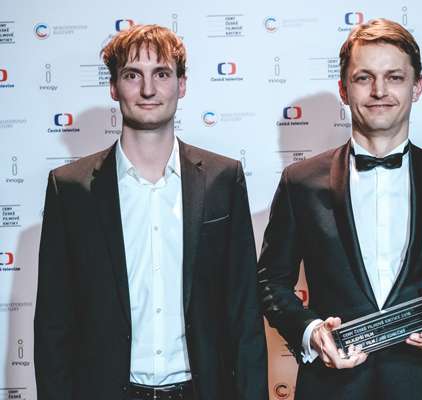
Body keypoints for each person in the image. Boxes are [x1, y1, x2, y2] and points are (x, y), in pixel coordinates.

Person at [257, 18, 422, 399]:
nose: (379, 91)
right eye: (364, 78)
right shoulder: (300, 183)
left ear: (417, 86)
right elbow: (271, 283)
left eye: (394, 77)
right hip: (333, 388)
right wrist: (311, 333)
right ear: (344, 89)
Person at [34, 24, 267, 400]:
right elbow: (53, 325)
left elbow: (245, 314)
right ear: (113, 87)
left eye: (161, 74)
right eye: (132, 75)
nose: (147, 89)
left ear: (182, 84)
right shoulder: (70, 189)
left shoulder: (223, 179)